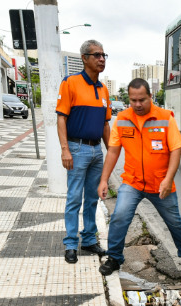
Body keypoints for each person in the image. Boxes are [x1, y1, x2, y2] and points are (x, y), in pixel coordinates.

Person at [97, 78, 181, 276]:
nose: (137, 104)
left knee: (174, 222)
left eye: (142, 99)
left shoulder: (165, 117)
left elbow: (176, 150)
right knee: (119, 216)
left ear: (150, 96)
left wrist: (168, 179)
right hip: (132, 182)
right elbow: (113, 152)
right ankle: (115, 258)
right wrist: (104, 179)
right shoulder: (123, 118)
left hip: (160, 184)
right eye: (133, 100)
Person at [56, 39, 111, 264]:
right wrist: (65, 150)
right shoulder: (70, 83)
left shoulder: (104, 88)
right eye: (97, 55)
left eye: (103, 55)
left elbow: (106, 125)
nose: (101, 59)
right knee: (74, 198)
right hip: (76, 149)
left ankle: (88, 239)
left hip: (97, 149)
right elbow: (61, 118)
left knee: (92, 198)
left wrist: (112, 152)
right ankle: (71, 243)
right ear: (84, 58)